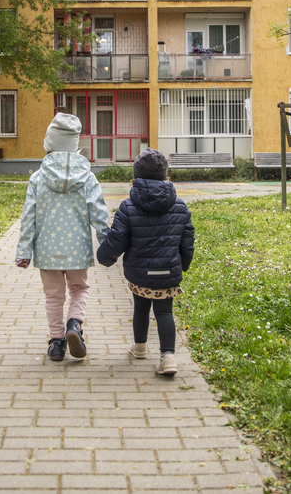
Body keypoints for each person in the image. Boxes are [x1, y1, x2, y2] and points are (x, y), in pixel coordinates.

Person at [16, 113, 110, 361]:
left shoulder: (38, 178)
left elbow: (28, 217)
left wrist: (24, 251)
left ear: (50, 143)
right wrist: (107, 243)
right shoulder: (88, 177)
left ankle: (57, 343)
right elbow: (99, 212)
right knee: (79, 288)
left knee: (53, 296)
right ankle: (74, 324)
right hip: (78, 248)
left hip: (47, 250)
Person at [96, 148, 194, 376]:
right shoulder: (180, 206)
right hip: (168, 271)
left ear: (135, 178)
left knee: (140, 307)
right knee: (164, 312)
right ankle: (168, 357)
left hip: (140, 273)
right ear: (167, 177)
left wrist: (104, 257)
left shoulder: (128, 207)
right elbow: (187, 241)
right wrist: (184, 264)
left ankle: (139, 347)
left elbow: (117, 240)